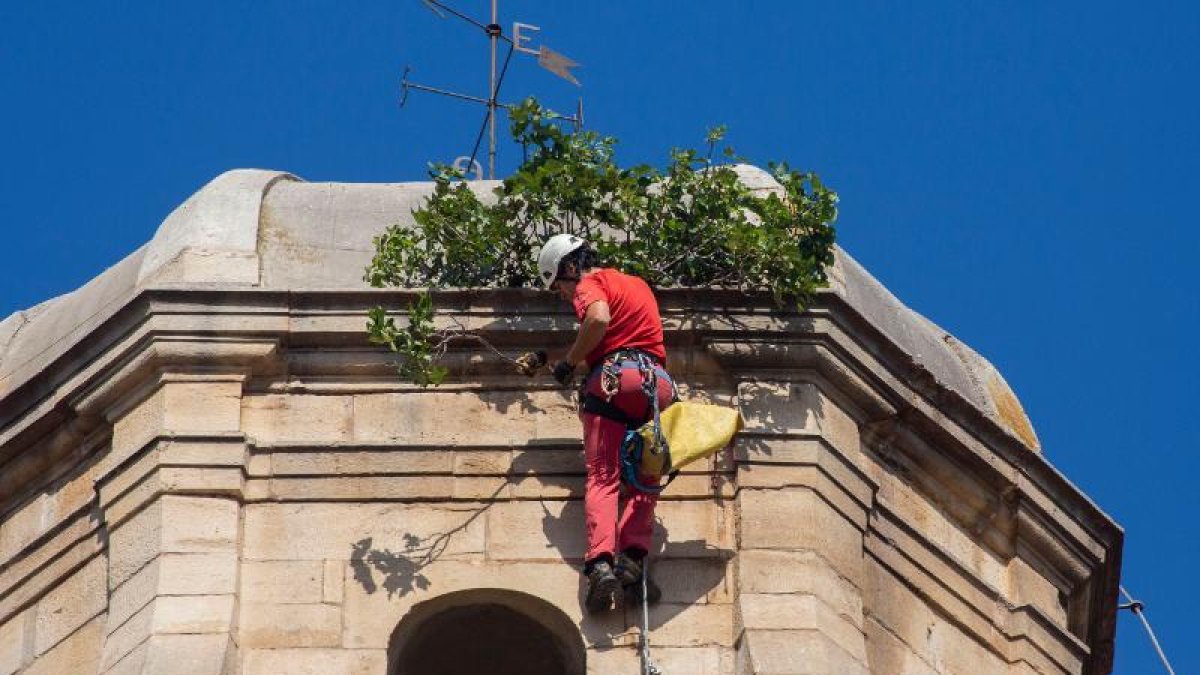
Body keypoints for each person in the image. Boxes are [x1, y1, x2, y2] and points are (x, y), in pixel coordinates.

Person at [538, 233, 675, 613]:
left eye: (559, 287)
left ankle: (600, 565)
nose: (564, 296)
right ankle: (633, 559)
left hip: (615, 381)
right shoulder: (637, 284)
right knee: (647, 474)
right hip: (656, 386)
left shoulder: (588, 283)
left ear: (568, 267)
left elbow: (598, 318)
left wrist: (567, 364)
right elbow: (627, 333)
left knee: (603, 475)